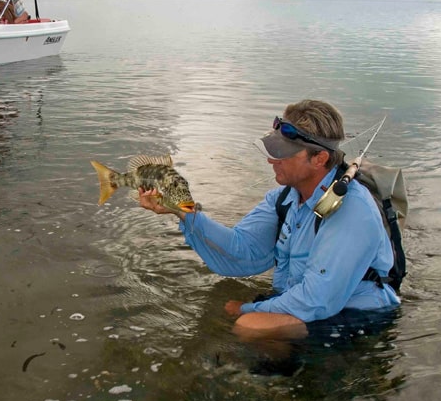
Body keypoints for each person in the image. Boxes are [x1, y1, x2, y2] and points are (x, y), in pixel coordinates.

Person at [138, 100, 399, 337]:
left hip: (363, 315)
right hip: (314, 305)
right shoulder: (283, 198)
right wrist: (183, 212)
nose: (271, 160)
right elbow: (241, 250)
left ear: (319, 158)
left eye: (284, 153)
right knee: (248, 322)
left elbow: (317, 300)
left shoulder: (352, 210)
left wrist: (248, 308)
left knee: (251, 325)